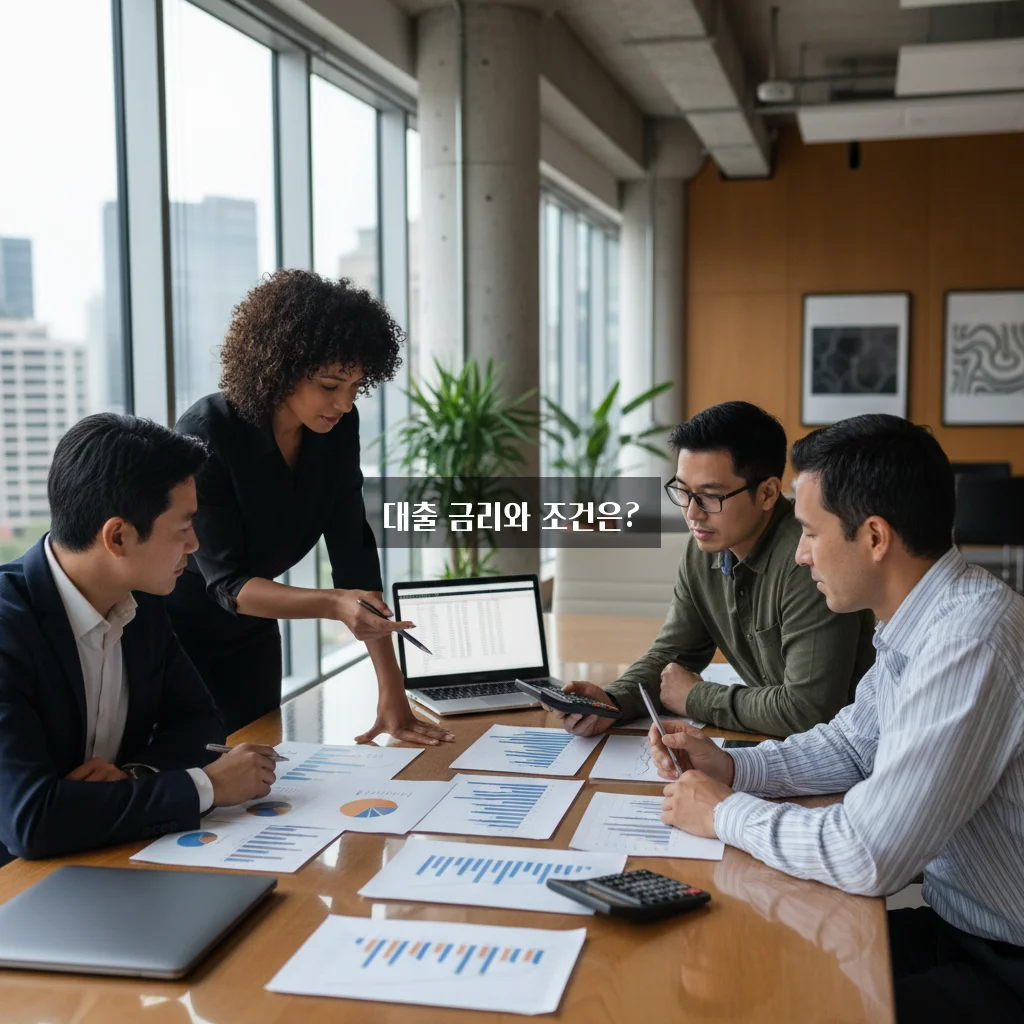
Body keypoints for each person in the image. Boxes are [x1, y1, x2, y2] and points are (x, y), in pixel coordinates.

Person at [650, 414, 1024, 1023]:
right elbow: (852, 745)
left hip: (1005, 963)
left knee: (778, 1002)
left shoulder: (968, 640)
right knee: (755, 957)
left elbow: (869, 854)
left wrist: (722, 812)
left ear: (874, 537)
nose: (799, 555)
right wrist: (733, 767)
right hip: (958, 928)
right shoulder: (922, 620)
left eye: (809, 531)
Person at [166, 269, 454, 741]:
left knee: (264, 762)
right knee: (201, 770)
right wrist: (335, 604)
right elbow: (229, 584)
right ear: (281, 366)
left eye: (356, 386)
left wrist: (392, 689)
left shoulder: (336, 429)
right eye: (330, 385)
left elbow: (353, 554)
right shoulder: (208, 431)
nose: (344, 403)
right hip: (179, 636)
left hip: (256, 628)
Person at [0, 415, 279, 866]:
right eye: (183, 527)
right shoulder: (8, 628)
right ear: (118, 536)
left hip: (107, 856)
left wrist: (134, 776)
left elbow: (201, 721)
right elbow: (29, 820)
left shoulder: (140, 602)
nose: (194, 545)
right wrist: (206, 786)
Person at [550, 401, 875, 738]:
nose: (692, 514)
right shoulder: (704, 547)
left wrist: (695, 697)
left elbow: (807, 710)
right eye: (683, 492)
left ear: (767, 493)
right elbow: (674, 654)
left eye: (710, 496)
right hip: (772, 743)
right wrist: (612, 701)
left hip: (848, 749)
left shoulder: (807, 561)